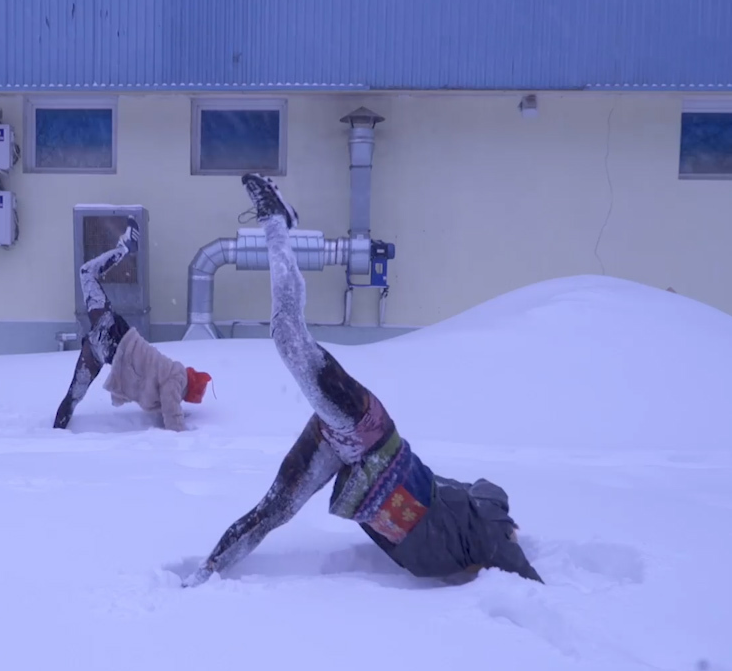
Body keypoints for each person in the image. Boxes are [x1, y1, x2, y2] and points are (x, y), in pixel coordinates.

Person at [181, 175, 543, 587]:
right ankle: (275, 221)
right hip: (367, 431)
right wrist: (509, 530)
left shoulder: (441, 557)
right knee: (288, 338)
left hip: (355, 460)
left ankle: (204, 574)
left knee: (275, 510)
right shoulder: (490, 535)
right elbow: (493, 501)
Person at [53, 216, 212, 432]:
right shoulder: (171, 383)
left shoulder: (175, 376)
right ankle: (54, 434)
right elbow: (168, 406)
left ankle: (124, 248)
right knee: (73, 397)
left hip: (115, 336)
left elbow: (172, 413)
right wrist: (179, 415)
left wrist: (180, 427)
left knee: (87, 273)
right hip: (106, 353)